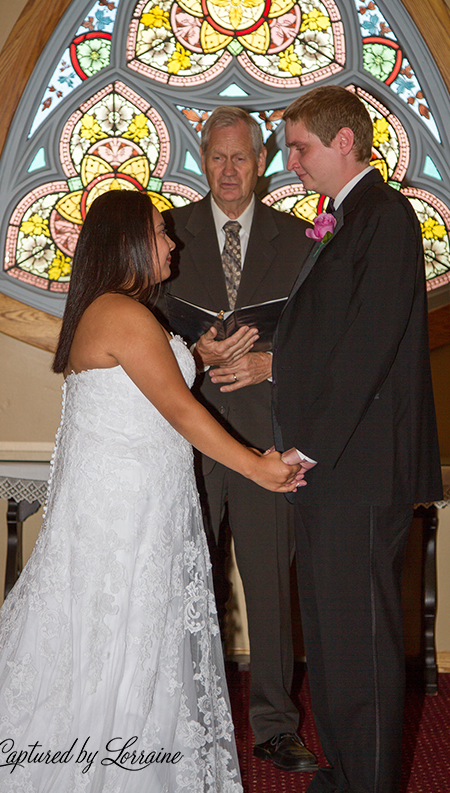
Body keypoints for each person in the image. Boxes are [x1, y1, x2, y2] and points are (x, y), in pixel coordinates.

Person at [0, 190, 303, 792]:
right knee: (123, 631)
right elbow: (181, 413)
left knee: (128, 635)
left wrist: (195, 351)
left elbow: (144, 385)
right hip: (126, 510)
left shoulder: (117, 312)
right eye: (162, 232)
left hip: (136, 499)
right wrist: (259, 468)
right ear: (129, 243)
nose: (173, 242)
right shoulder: (124, 314)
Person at [272, 85, 443, 792]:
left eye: (299, 147)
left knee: (363, 644)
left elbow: (366, 345)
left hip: (357, 466)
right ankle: (342, 773)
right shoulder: (348, 217)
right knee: (335, 637)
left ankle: (366, 783)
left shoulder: (384, 216)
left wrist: (305, 446)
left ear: (344, 142)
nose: (291, 162)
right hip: (335, 466)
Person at [160, 106, 317, 771]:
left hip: (266, 442)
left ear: (261, 163)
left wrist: (271, 360)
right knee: (190, 583)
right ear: (204, 160)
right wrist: (188, 348)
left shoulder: (303, 238)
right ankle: (187, 717)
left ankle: (276, 725)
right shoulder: (168, 233)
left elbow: (328, 336)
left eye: (240, 158)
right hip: (187, 439)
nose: (228, 170)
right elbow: (133, 321)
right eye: (216, 158)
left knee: (268, 583)